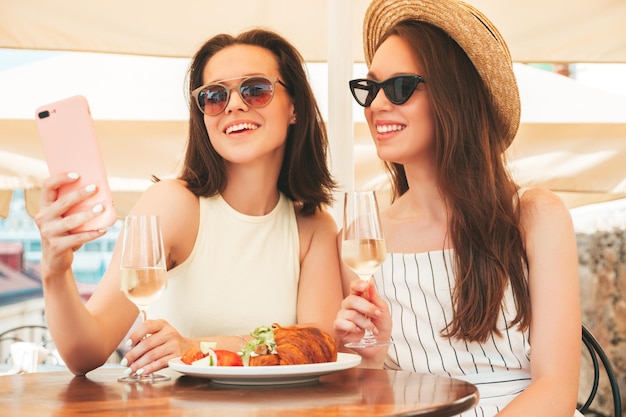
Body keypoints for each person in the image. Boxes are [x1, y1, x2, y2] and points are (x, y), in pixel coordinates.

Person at [36, 28, 343, 377]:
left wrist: (196, 347)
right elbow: (86, 352)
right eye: (214, 96)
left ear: (295, 108)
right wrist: (54, 271)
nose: (234, 105)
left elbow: (318, 344)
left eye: (256, 90)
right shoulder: (171, 206)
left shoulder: (315, 227)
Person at [333, 0, 582, 416]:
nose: (375, 105)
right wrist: (369, 360)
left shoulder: (536, 216)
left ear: (455, 97)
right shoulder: (363, 235)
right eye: (370, 88)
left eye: (398, 88)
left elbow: (556, 389)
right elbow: (371, 400)